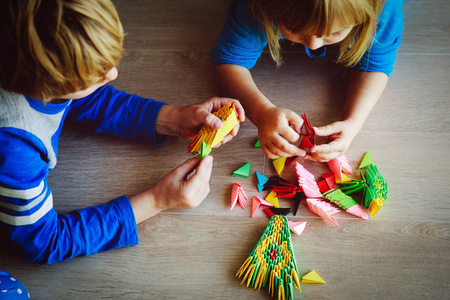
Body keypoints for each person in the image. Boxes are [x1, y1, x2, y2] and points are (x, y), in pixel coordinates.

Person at [0, 0, 245, 264]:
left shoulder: (39, 75)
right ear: (43, 83)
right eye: (94, 77)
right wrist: (156, 200)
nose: (114, 74)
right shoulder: (14, 149)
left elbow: (81, 99)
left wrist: (172, 119)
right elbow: (44, 242)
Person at [211, 0, 404, 161]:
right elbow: (228, 62)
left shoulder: (384, 10)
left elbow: (375, 67)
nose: (314, 44)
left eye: (335, 32)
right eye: (295, 29)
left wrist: (354, 122)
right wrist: (261, 113)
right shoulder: (253, 5)